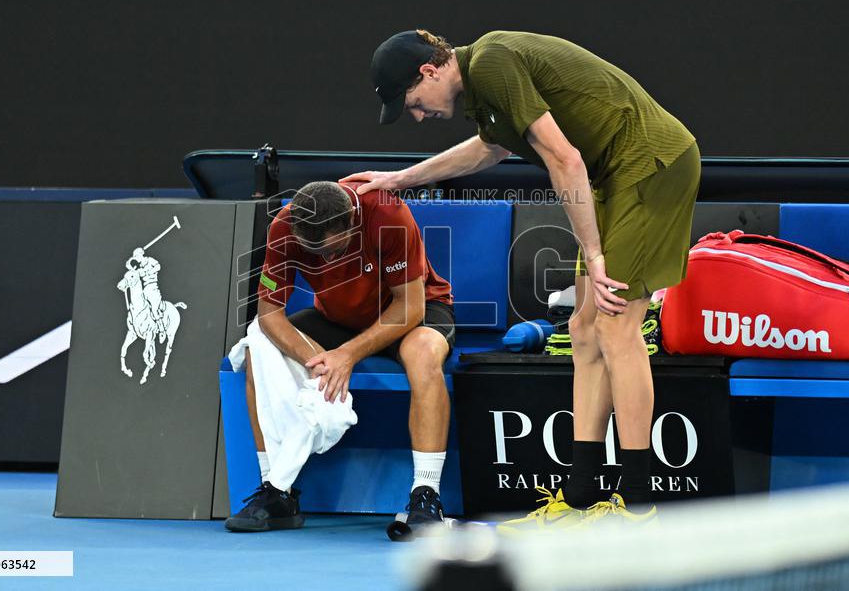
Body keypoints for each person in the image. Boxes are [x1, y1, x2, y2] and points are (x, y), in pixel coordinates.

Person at [345, 29, 700, 526]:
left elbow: (564, 158)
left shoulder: (492, 62)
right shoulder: (484, 85)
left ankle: (637, 505)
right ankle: (579, 498)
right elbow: (490, 150)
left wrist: (594, 254)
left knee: (617, 324)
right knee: (582, 329)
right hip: (615, 175)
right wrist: (400, 179)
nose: (418, 115)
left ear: (429, 71)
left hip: (651, 166)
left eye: (413, 102)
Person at [225, 180, 456, 532]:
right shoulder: (283, 226)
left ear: (352, 220)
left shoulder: (388, 213)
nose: (326, 260)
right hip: (337, 320)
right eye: (316, 255)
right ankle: (277, 491)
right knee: (257, 345)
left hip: (409, 313)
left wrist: (346, 354)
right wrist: (314, 359)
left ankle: (426, 496)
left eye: (334, 251)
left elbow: (410, 307)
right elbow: (269, 311)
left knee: (424, 352)